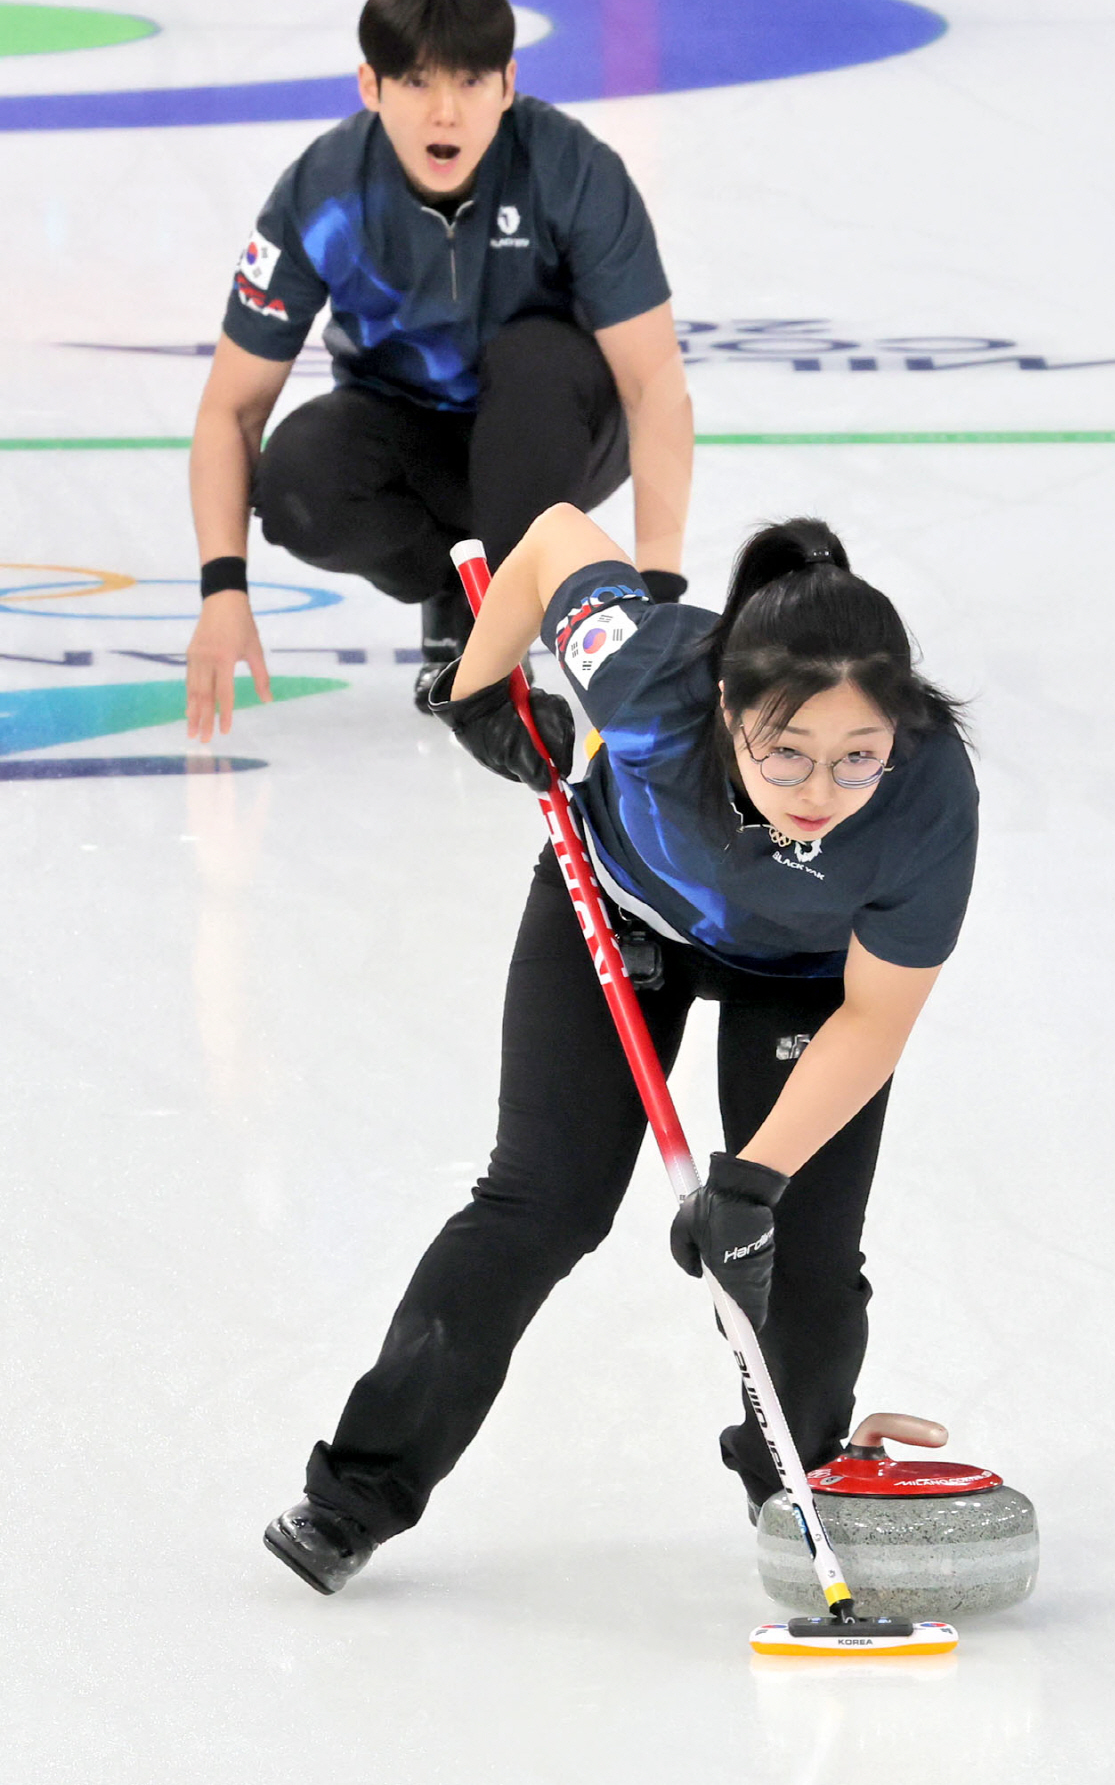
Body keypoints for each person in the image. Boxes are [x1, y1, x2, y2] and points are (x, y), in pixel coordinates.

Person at [263, 504, 978, 1595]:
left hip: (807, 977)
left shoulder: (929, 798)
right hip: (623, 910)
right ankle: (355, 1493)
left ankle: (794, 1484)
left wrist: (753, 1182)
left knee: (804, 1266)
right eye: (785, 756)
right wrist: (472, 695)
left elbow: (876, 1017)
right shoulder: (654, 676)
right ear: (724, 704)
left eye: (857, 759)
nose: (821, 794)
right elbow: (549, 539)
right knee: (539, 1202)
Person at [185, 0, 691, 739]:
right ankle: (465, 588)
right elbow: (233, 408)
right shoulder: (324, 193)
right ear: (370, 86)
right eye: (417, 82)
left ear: (509, 83)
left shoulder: (573, 171)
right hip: (411, 432)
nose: (445, 112)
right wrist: (223, 589)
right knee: (297, 479)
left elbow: (654, 384)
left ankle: (520, 606)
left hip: (557, 429)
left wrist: (657, 595)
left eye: (470, 81)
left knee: (533, 360)